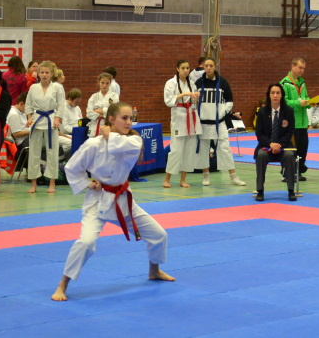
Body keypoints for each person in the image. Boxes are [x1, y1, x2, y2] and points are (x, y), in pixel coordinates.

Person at [51, 102, 173, 301]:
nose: (129, 122)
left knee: (159, 235)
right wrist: (88, 183)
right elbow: (72, 167)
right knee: (86, 242)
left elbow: (117, 146)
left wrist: (109, 135)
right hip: (98, 201)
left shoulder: (134, 141)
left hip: (123, 201)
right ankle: (62, 284)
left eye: (131, 118)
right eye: (124, 118)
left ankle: (154, 270)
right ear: (111, 119)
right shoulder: (93, 144)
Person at [195, 58, 245, 187]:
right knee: (203, 150)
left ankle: (233, 176)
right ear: (204, 67)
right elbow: (194, 101)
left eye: (211, 65)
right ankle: (206, 176)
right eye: (206, 66)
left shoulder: (222, 82)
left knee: (225, 149)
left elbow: (229, 101)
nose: (208, 68)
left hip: (219, 123)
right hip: (203, 123)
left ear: (215, 66)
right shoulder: (198, 83)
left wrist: (222, 112)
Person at [25, 60, 66, 194]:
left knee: (52, 153)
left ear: (51, 74)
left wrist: (57, 118)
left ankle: (52, 182)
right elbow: (28, 104)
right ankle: (34, 183)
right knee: (34, 153)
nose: (44, 75)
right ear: (38, 74)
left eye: (47, 72)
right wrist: (29, 118)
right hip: (36, 120)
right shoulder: (33, 88)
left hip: (51, 120)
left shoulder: (57, 87)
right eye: (42, 72)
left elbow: (61, 104)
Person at [253, 83, 297, 201]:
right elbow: (259, 133)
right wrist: (270, 144)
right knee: (261, 155)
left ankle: (291, 190)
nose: (275, 95)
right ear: (269, 95)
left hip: (284, 146)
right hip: (266, 146)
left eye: (278, 93)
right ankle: (260, 190)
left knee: (289, 155)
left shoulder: (288, 111)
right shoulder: (262, 112)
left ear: (282, 95)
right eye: (273, 93)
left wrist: (279, 144)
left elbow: (290, 132)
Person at [163, 60, 200, 189]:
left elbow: (194, 102)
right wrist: (184, 94)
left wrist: (196, 97)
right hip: (178, 118)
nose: (185, 70)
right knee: (176, 151)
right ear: (177, 69)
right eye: (183, 68)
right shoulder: (171, 83)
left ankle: (183, 179)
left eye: (187, 68)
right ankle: (167, 179)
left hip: (191, 117)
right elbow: (168, 101)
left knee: (189, 151)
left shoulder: (192, 83)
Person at [281, 57, 311, 180]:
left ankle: (298, 171)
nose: (302, 70)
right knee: (291, 150)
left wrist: (309, 102)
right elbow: (284, 102)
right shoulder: (285, 83)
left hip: (303, 122)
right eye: (300, 67)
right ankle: (286, 173)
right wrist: (299, 103)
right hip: (291, 122)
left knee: (302, 149)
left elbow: (306, 97)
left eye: (303, 68)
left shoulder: (302, 83)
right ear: (293, 66)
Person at [85, 73, 119, 137]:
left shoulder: (114, 96)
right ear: (99, 82)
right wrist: (105, 113)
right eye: (102, 83)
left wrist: (97, 111)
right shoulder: (94, 96)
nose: (104, 85)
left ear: (110, 83)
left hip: (108, 126)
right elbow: (89, 113)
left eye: (107, 83)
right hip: (94, 127)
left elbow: (114, 112)